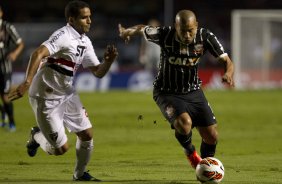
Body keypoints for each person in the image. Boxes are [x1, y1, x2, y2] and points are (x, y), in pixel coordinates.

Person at [8, 0, 118, 181]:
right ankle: (36, 136)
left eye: (90, 17)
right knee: (60, 149)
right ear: (72, 20)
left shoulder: (85, 40)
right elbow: (38, 53)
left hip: (67, 93)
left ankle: (79, 174)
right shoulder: (63, 35)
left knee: (87, 134)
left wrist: (108, 62)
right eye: (84, 18)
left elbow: (98, 72)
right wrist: (26, 83)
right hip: (46, 95)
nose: (89, 21)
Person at [119, 10, 234, 170]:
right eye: (183, 30)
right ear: (176, 26)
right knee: (184, 123)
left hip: (193, 91)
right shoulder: (165, 34)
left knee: (211, 136)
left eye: (190, 30)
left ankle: (207, 168)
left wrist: (228, 73)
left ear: (196, 26)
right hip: (166, 91)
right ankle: (191, 153)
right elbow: (142, 28)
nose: (187, 35)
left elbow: (226, 60)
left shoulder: (205, 36)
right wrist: (126, 31)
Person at [0, 5, 24, 131]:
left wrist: (14, 53)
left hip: (4, 68)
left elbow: (20, 43)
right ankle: (3, 117)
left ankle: (11, 123)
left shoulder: (7, 27)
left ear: (1, 13)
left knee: (4, 96)